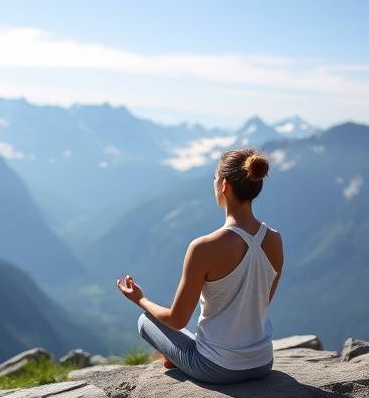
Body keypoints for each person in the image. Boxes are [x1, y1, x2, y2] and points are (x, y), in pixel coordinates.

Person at [116, 147, 284, 384]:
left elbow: (176, 320)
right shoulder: (275, 240)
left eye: (214, 179)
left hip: (217, 368)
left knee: (145, 321)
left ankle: (178, 358)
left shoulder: (203, 247)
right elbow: (262, 301)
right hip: (262, 363)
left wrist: (140, 299)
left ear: (223, 185)